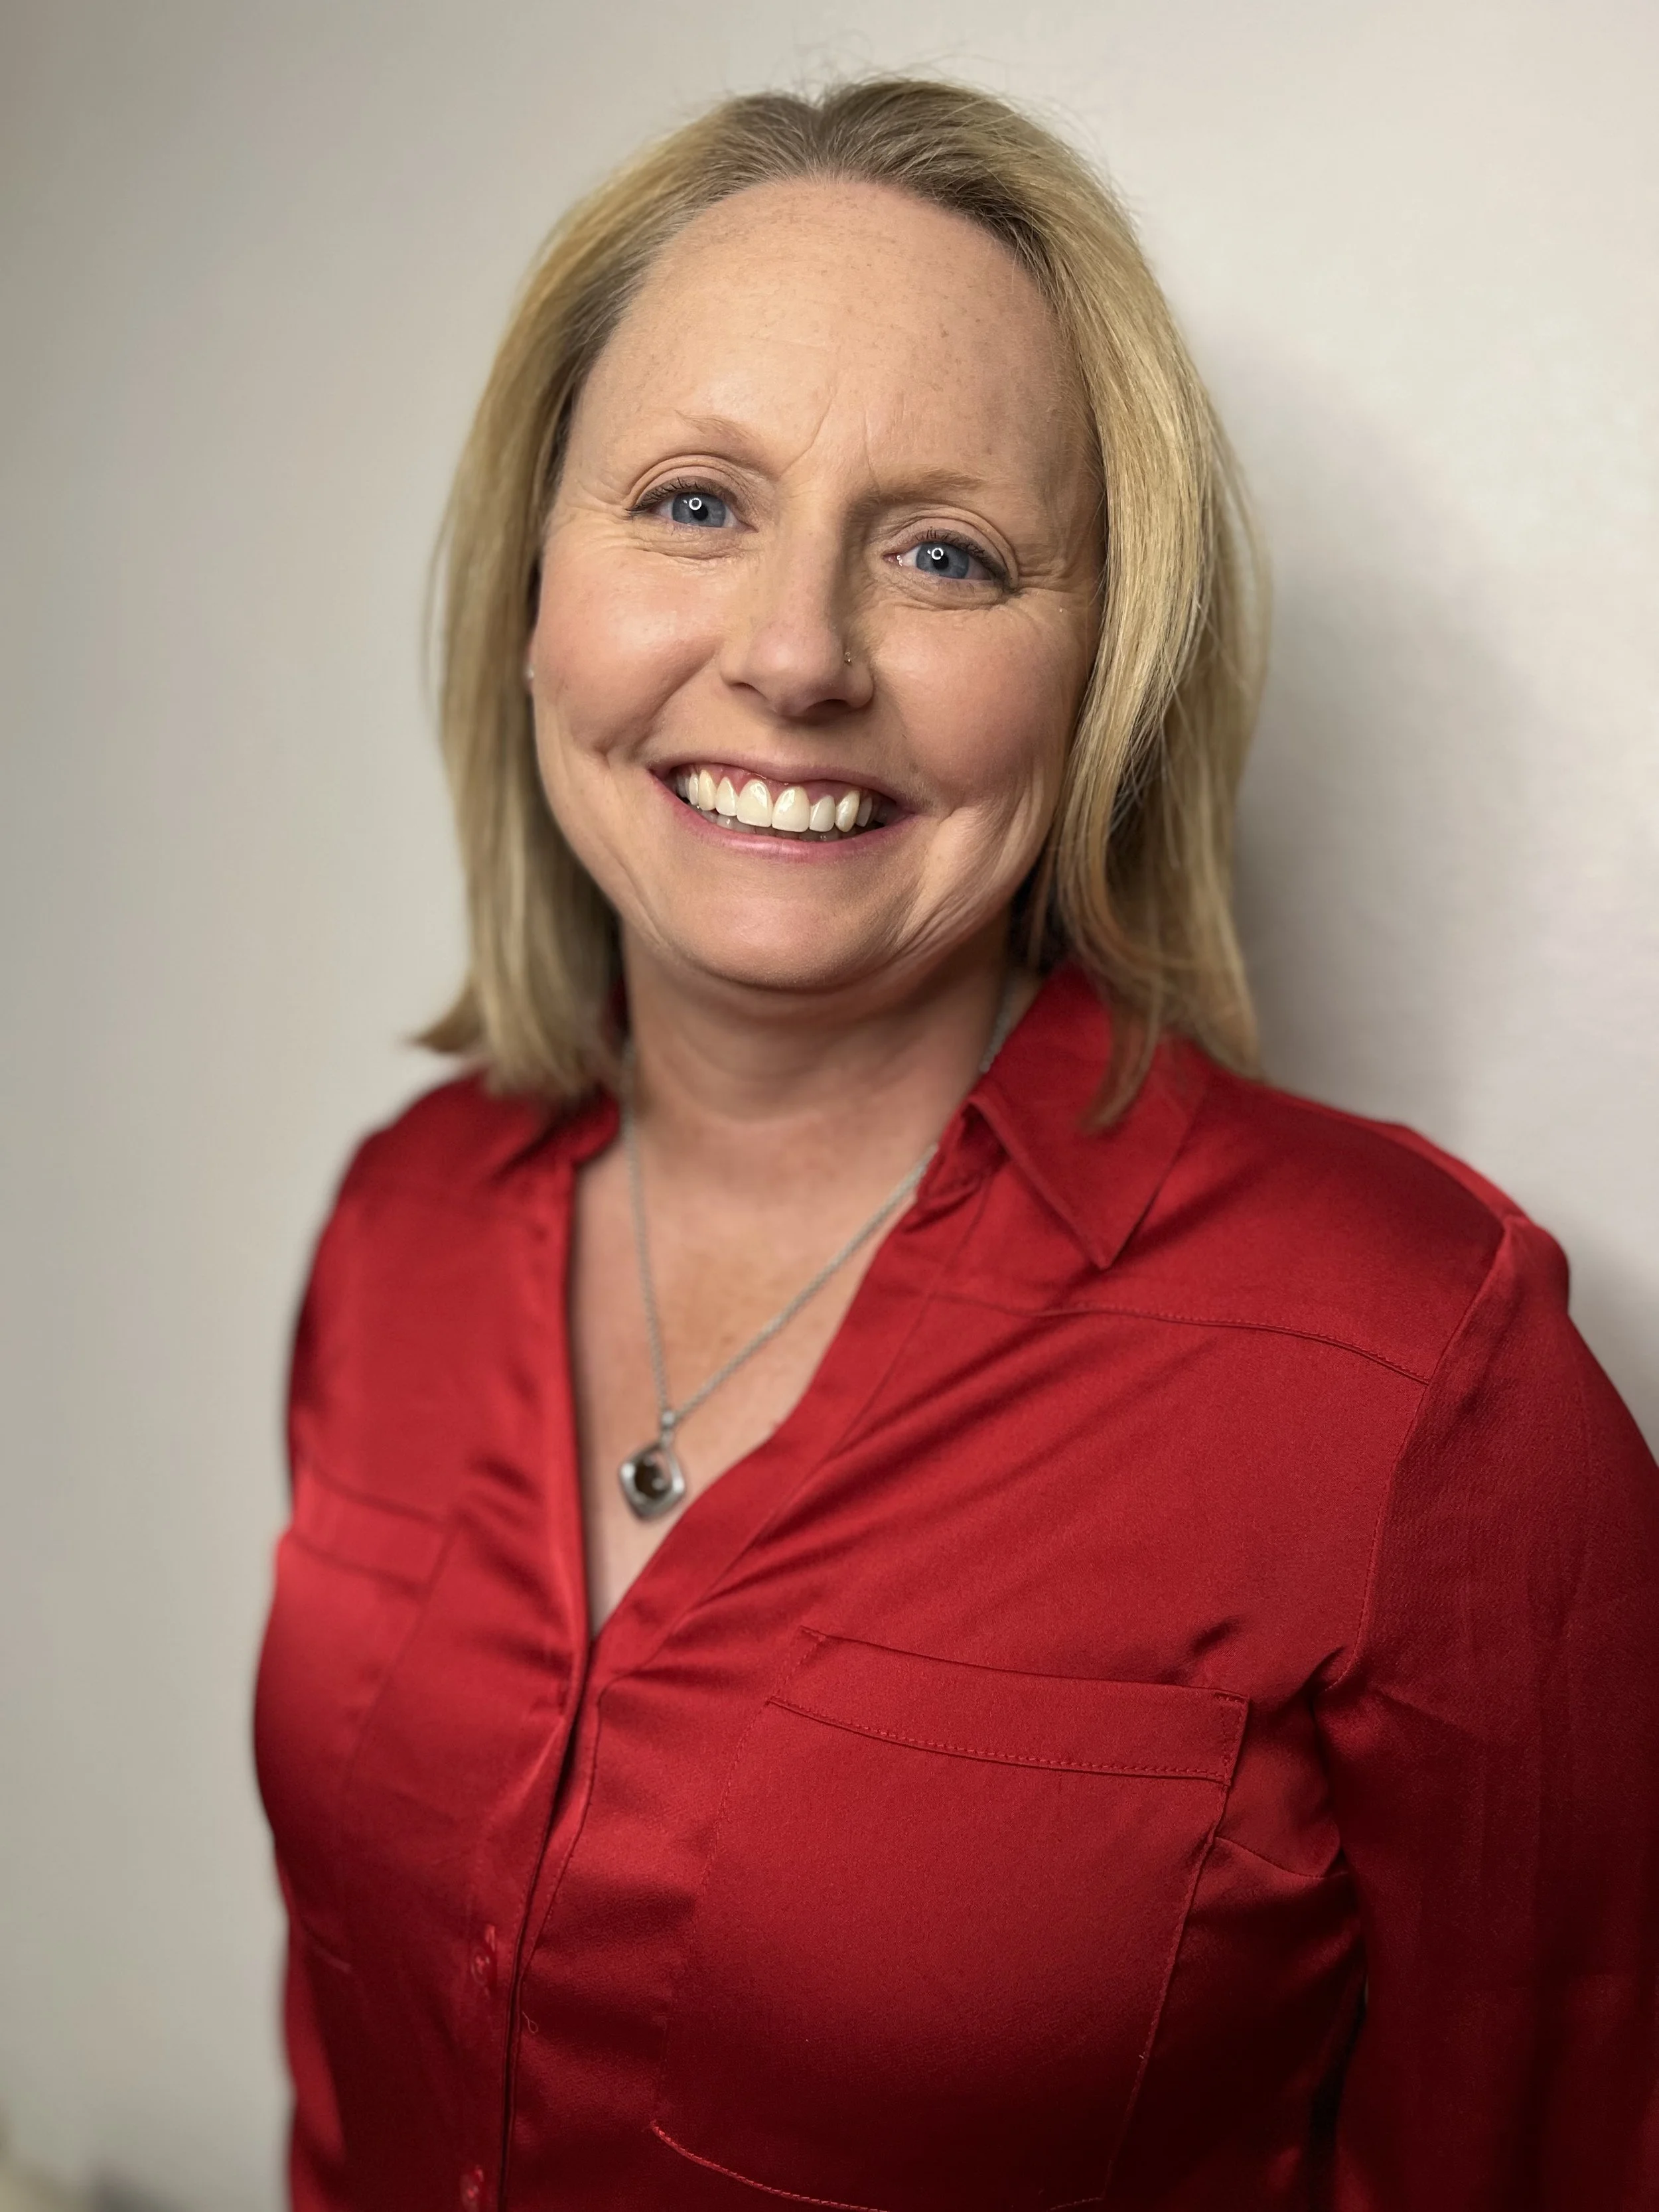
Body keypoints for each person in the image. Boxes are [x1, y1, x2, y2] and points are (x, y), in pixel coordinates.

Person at [253, 76, 1659, 2212]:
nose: (795, 655)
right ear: (535, 584)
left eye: (946, 554)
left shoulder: (1421, 1378)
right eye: (693, 503)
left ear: (1101, 669)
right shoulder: (399, 1220)